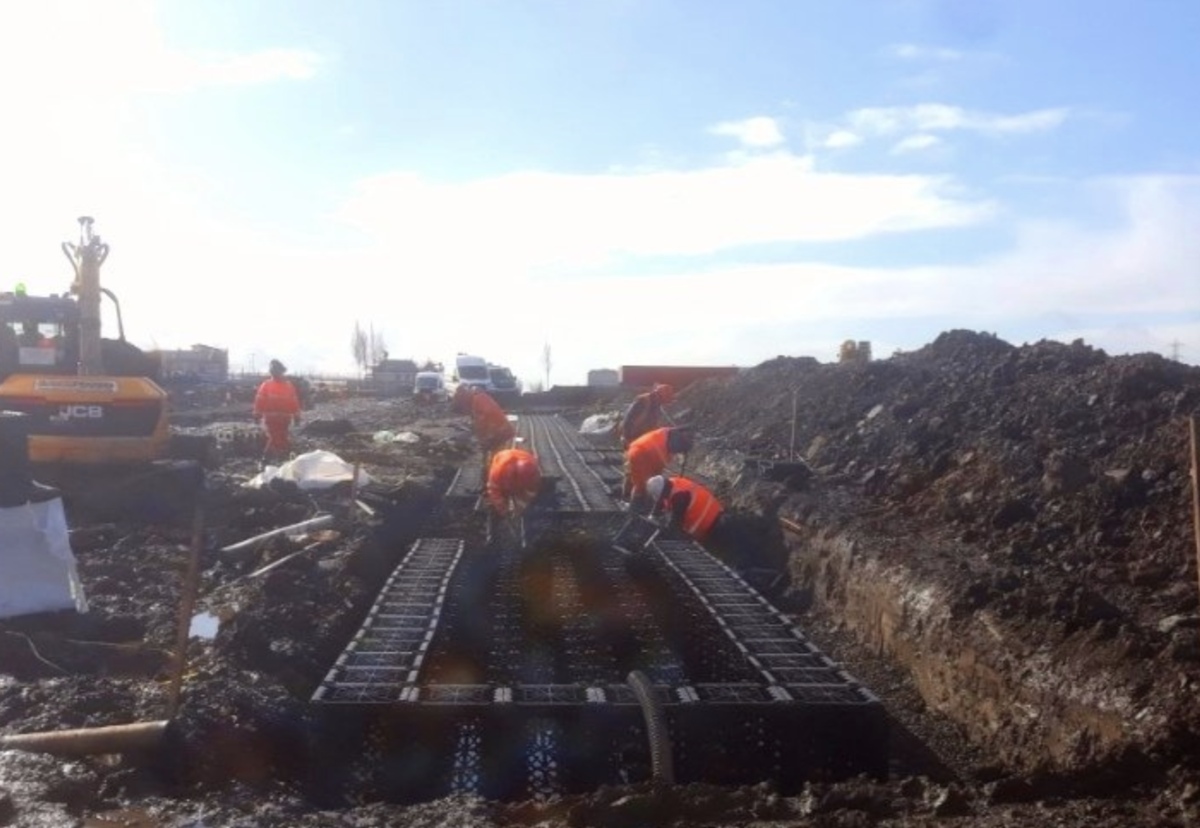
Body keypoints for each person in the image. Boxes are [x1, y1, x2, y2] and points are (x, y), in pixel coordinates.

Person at [456, 384, 517, 478]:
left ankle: (494, 478)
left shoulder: (478, 399)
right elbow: (480, 420)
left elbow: (485, 416)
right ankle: (490, 477)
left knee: (495, 457)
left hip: (499, 431)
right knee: (492, 456)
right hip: (498, 432)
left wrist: (484, 436)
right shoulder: (477, 399)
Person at [622, 425, 694, 504]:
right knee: (641, 485)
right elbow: (657, 469)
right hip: (639, 453)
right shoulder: (667, 446)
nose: (678, 453)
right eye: (679, 451)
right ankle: (634, 506)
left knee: (636, 476)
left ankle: (627, 496)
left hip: (639, 446)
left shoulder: (669, 433)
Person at [253, 359, 303, 464]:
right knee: (276, 438)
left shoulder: (285, 386)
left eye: (277, 372)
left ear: (281, 372)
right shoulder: (269, 385)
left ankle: (277, 458)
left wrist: (297, 416)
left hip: (282, 419)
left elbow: (294, 402)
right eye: (274, 372)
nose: (276, 374)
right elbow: (260, 400)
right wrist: (257, 415)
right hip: (274, 419)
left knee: (280, 437)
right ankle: (272, 459)